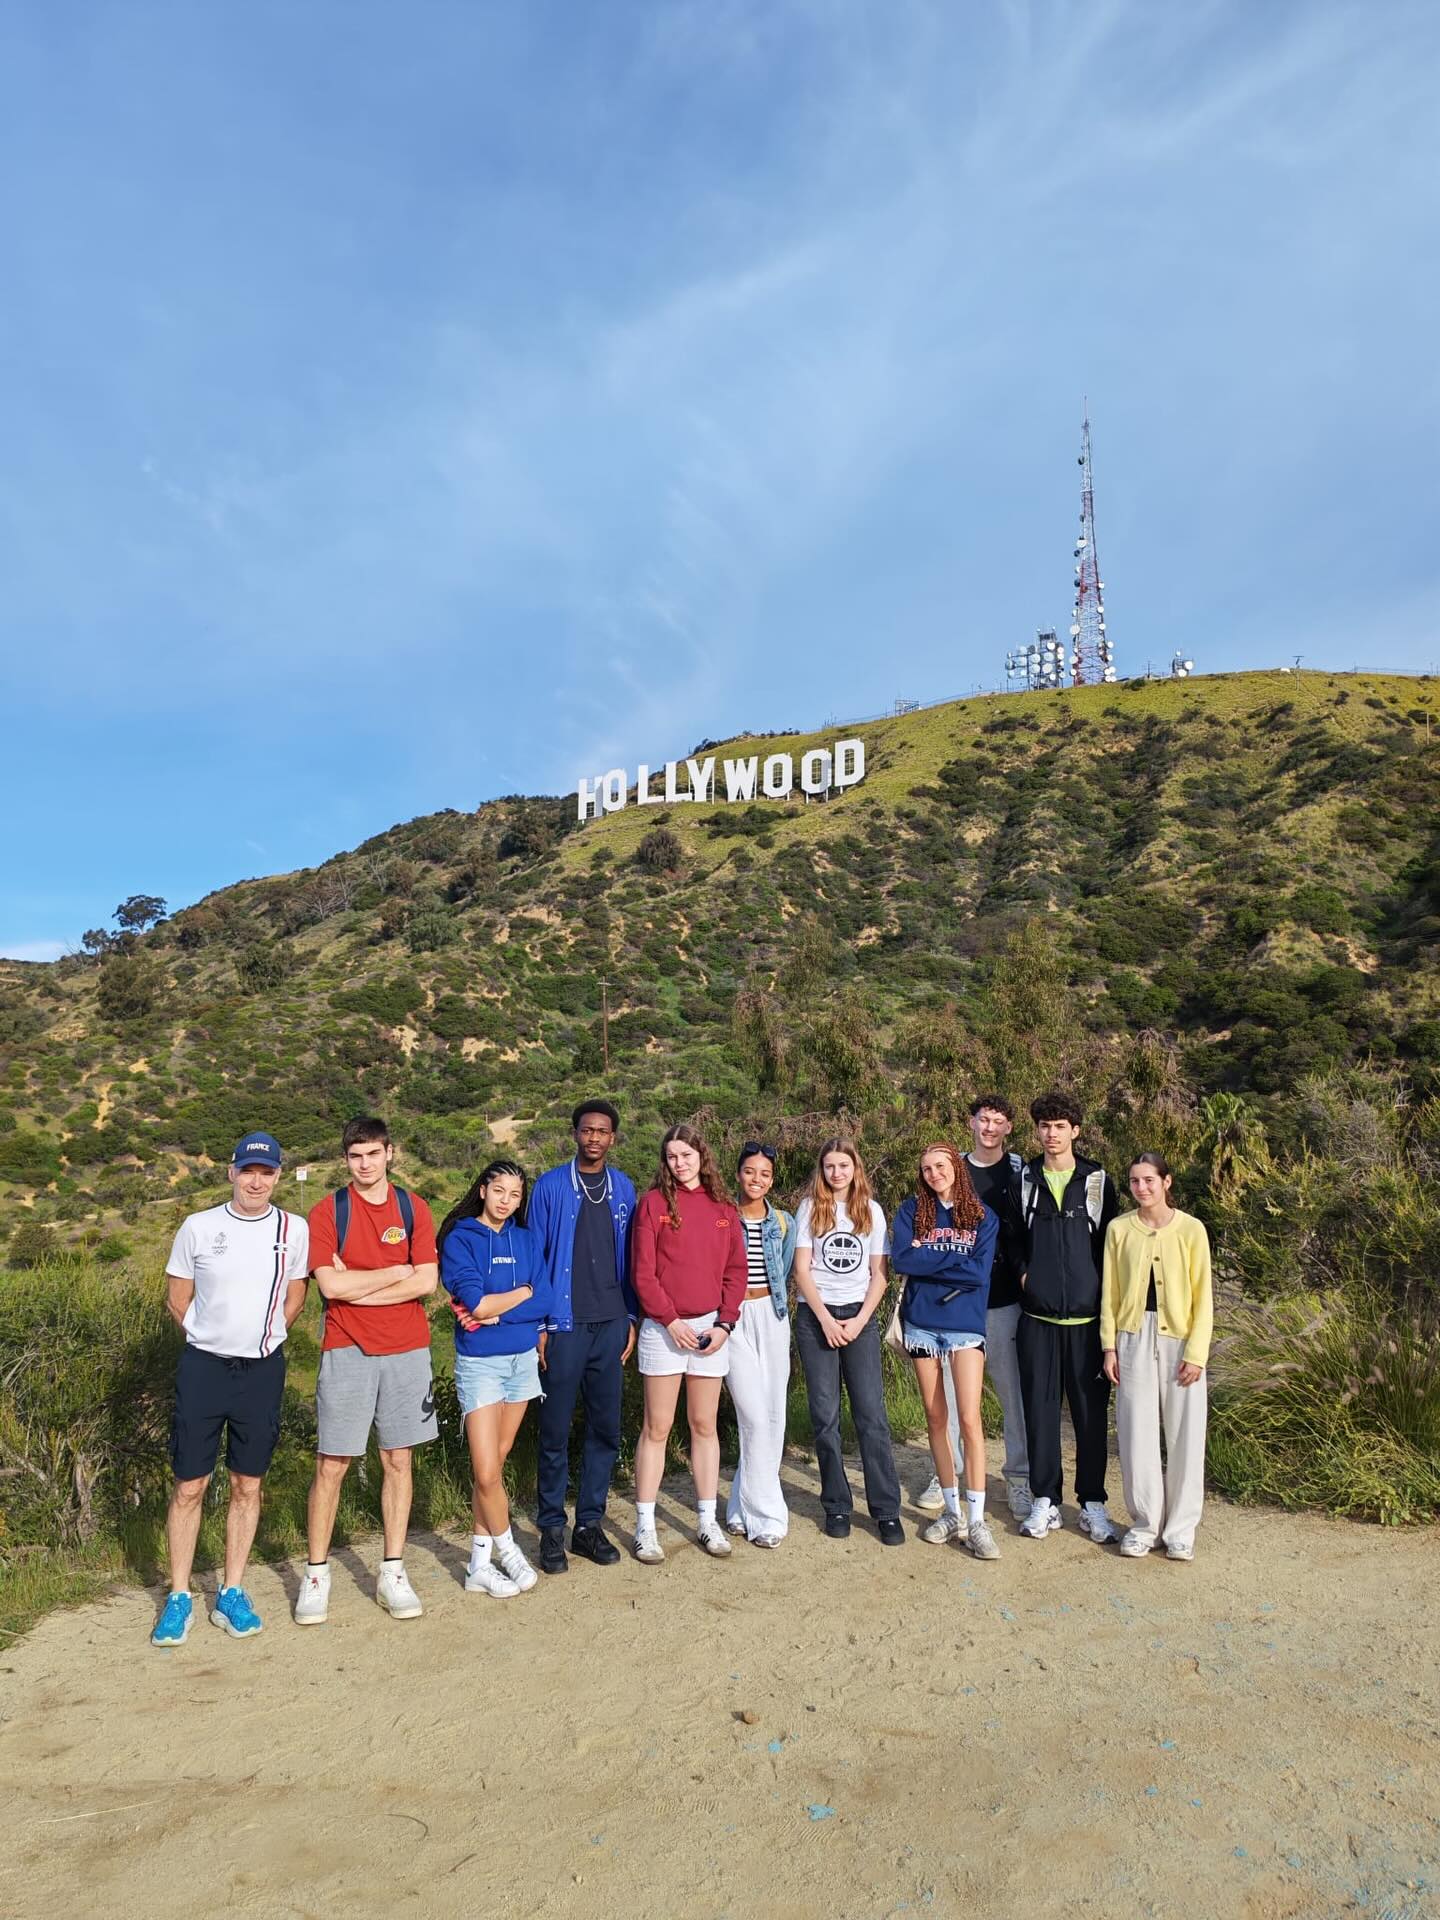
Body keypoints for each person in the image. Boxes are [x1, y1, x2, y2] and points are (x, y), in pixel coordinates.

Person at [151, 1133, 310, 1646]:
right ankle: (178, 1596)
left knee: (248, 1484)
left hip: (262, 1371)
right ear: (231, 1173)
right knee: (190, 1485)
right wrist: (211, 1339)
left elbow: (295, 1294)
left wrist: (261, 1339)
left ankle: (232, 1591)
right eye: (248, 1171)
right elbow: (178, 1298)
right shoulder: (199, 1226)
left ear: (279, 1176)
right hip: (204, 1368)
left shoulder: (294, 1228)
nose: (256, 1181)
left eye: (266, 1172)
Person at [295, 1117, 439, 1626]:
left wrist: (362, 1283)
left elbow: (426, 1282)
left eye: (373, 1154)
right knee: (331, 1464)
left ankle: (393, 1570)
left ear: (389, 1153)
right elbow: (330, 1288)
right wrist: (391, 1273)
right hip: (346, 1347)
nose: (364, 1164)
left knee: (397, 1460)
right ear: (345, 1159)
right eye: (355, 1156)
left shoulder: (412, 1207)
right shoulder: (328, 1210)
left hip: (406, 1349)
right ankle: (317, 1574)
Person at [525, 1101, 638, 1575]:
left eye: (603, 1131)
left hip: (610, 1324)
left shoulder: (624, 1188)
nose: (594, 1137)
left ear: (613, 1138)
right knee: (554, 1431)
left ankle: (588, 1525)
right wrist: (541, 1324)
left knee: (605, 1430)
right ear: (574, 1133)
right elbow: (535, 1256)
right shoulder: (551, 1186)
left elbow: (633, 1258)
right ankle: (551, 1527)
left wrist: (631, 1317)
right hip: (564, 1327)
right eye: (587, 1130)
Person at [631, 1123, 748, 1564]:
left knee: (704, 1426)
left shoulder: (723, 1207)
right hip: (664, 1331)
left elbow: (736, 1273)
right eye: (672, 1156)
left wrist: (724, 1325)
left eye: (687, 1155)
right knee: (657, 1428)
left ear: (702, 1155)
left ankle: (707, 1519)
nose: (680, 1163)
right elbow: (643, 1273)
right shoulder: (654, 1204)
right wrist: (670, 1320)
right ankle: (646, 1526)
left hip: (710, 1331)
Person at [913, 1096, 1031, 1520]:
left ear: (1008, 1128)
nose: (990, 1128)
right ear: (972, 1123)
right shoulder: (950, 1169)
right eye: (984, 1120)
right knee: (947, 1399)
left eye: (999, 1121)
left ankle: (1019, 1479)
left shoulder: (1021, 1172)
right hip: (953, 1306)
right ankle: (949, 1471)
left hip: (1001, 1300)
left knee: (1010, 1392)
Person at [438, 1160, 551, 1597]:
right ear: (483, 1189)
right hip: (481, 1364)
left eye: (515, 1195)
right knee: (487, 1472)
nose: (506, 1201)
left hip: (522, 1360)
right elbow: (475, 1303)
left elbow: (540, 1299)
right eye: (499, 1191)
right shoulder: (461, 1237)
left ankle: (477, 1565)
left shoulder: (527, 1238)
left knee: (496, 1466)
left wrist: (507, 1303)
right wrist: (516, 1297)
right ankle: (508, 1550)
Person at [1015, 1092, 1120, 1545]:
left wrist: (1099, 1300)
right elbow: (1013, 1239)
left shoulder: (1097, 1181)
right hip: (1037, 1319)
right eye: (1044, 1126)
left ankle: (1092, 1502)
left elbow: (1112, 1248)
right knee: (1039, 1414)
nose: (1051, 1133)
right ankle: (1046, 1500)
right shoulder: (1025, 1178)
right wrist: (1025, 1278)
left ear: (1075, 1130)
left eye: (1059, 1125)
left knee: (1090, 1417)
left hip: (1086, 1324)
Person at [1101, 1153, 1214, 1562]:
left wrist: (1197, 1353)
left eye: (1149, 1180)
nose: (1141, 1188)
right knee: (1136, 1433)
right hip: (1132, 1337)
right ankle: (1145, 1525)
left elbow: (1204, 1298)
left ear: (1166, 1182)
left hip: (1180, 1340)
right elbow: (1110, 1293)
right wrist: (1109, 1346)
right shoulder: (1119, 1230)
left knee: (1185, 1435)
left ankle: (1181, 1529)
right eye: (1134, 1181)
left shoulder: (1191, 1230)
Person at [892, 1144, 1002, 1560]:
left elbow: (978, 1272)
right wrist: (941, 1258)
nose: (934, 1173)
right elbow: (904, 1259)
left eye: (940, 1165)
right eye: (926, 1168)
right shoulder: (911, 1211)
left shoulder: (981, 1216)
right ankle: (952, 1512)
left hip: (964, 1327)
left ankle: (977, 1521)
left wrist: (928, 1254)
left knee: (970, 1421)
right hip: (921, 1324)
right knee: (936, 1418)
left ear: (955, 1167)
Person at [793, 1137, 905, 1546]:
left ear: (856, 1169)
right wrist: (825, 1320)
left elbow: (879, 1275)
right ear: (821, 1171)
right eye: (829, 1166)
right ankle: (836, 1504)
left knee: (871, 1415)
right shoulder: (809, 1209)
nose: (836, 1173)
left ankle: (886, 1510)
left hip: (859, 1317)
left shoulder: (871, 1211)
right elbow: (802, 1270)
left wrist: (859, 1321)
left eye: (844, 1166)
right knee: (826, 1418)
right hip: (816, 1318)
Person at [724, 1142, 796, 1547]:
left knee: (774, 1413)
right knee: (752, 1415)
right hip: (732, 1320)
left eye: (765, 1174)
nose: (757, 1179)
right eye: (750, 1171)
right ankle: (769, 1517)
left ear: (772, 1179)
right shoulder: (722, 1218)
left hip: (772, 1316)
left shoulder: (783, 1223)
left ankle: (739, 1506)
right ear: (739, 1174)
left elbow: (782, 1270)